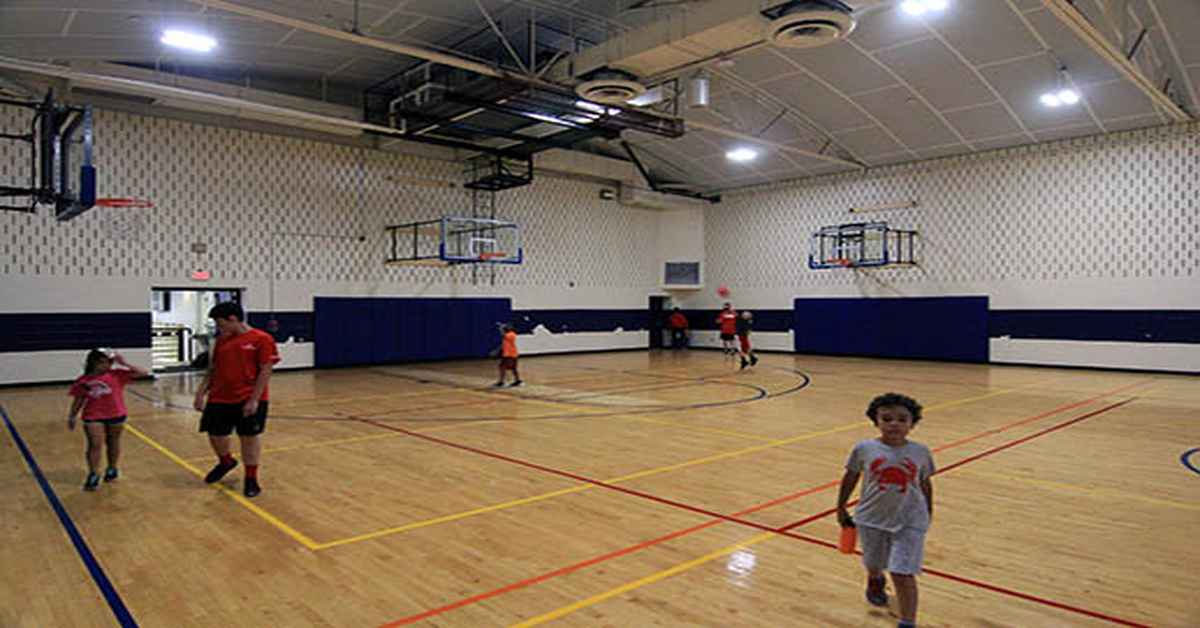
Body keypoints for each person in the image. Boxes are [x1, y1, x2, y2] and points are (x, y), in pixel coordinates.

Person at [836, 393, 935, 628]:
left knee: (902, 573)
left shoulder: (920, 452)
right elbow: (851, 476)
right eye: (887, 418)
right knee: (874, 563)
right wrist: (840, 507)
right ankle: (875, 579)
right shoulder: (864, 449)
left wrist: (928, 511)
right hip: (870, 518)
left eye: (902, 419)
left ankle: (908, 622)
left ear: (912, 423)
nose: (894, 424)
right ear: (876, 421)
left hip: (910, 521)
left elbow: (925, 482)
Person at [193, 301, 279, 498]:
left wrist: (254, 400)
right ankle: (226, 461)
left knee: (248, 438)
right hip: (219, 397)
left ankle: (251, 479)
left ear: (233, 319)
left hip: (248, 398)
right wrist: (200, 393)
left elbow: (266, 371)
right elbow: (212, 369)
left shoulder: (262, 339)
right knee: (215, 434)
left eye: (220, 323)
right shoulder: (221, 341)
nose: (218, 327)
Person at [67, 350, 150, 491]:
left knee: (113, 442)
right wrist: (72, 415)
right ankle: (93, 473)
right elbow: (79, 399)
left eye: (110, 362)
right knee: (94, 444)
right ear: (95, 362)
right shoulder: (84, 380)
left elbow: (144, 372)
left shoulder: (117, 375)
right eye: (105, 362)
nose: (109, 365)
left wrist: (124, 363)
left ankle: (112, 468)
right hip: (93, 416)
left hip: (116, 414)